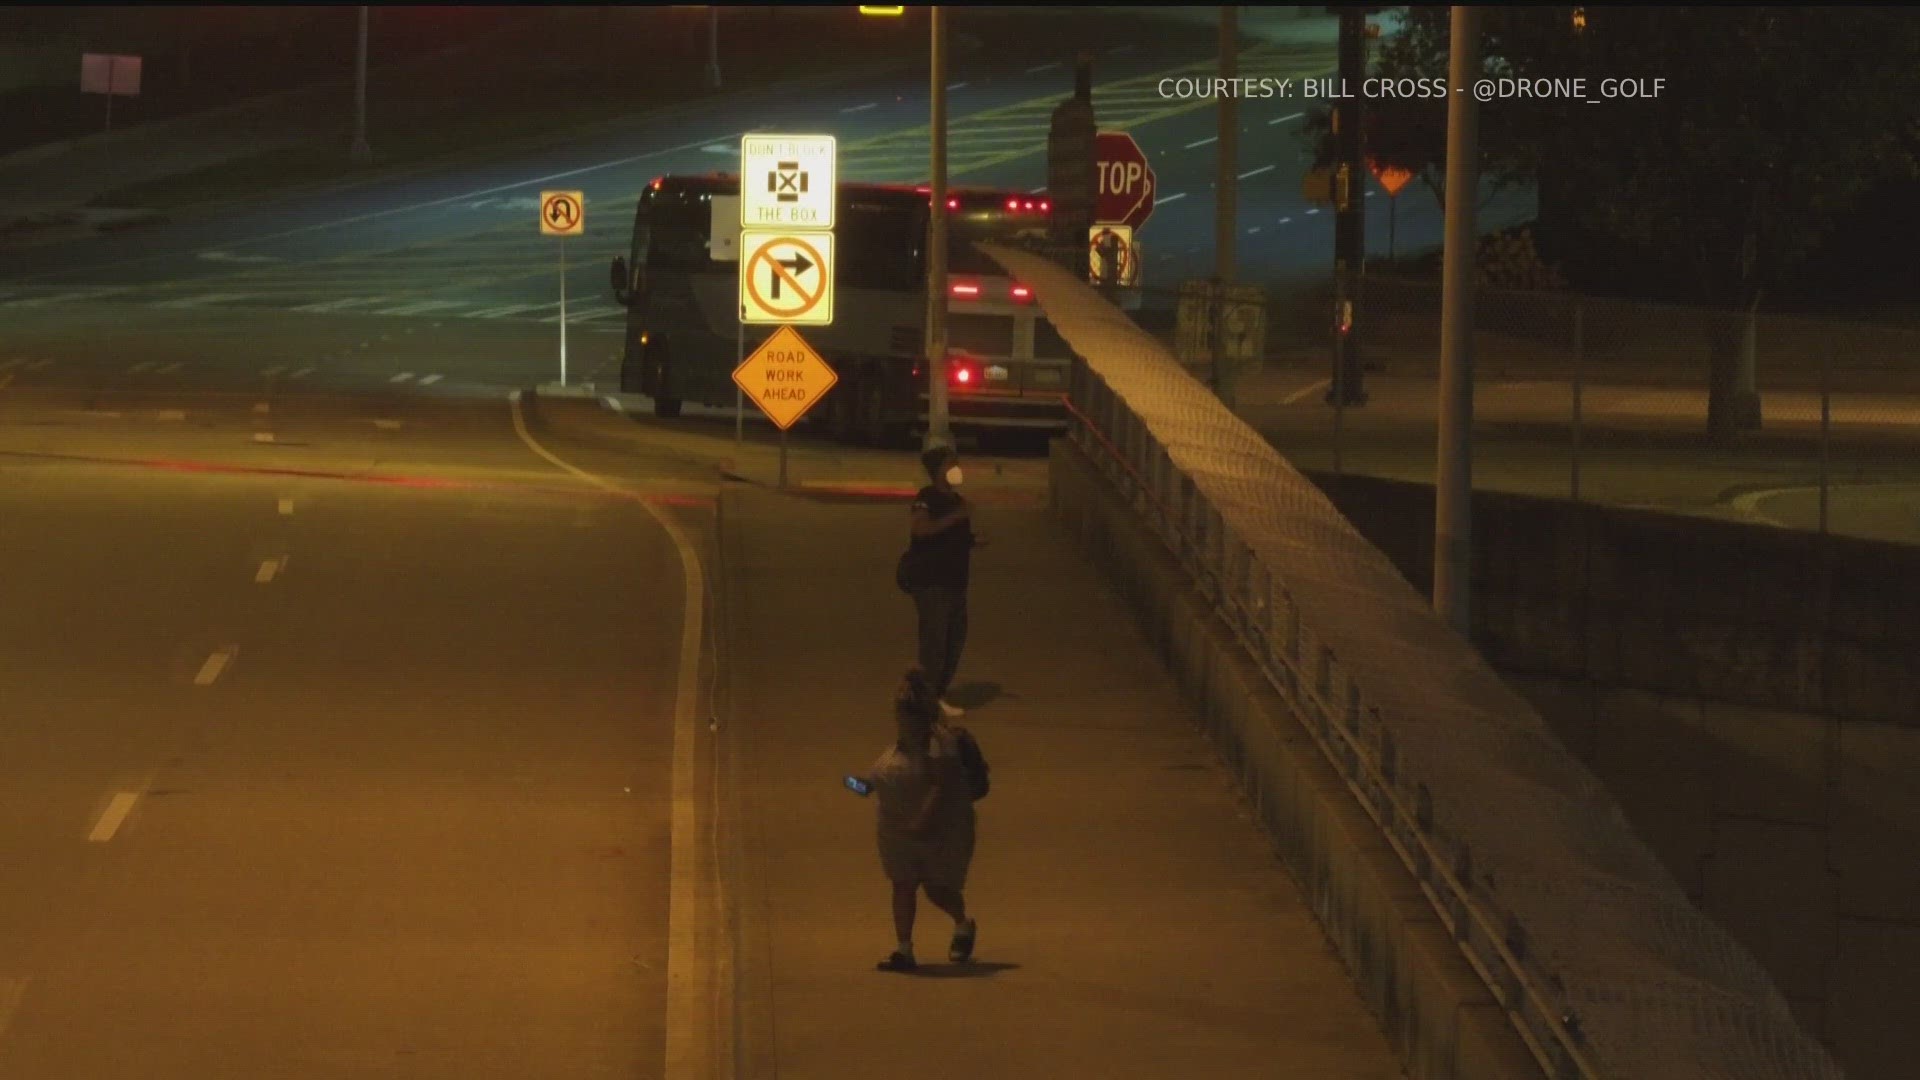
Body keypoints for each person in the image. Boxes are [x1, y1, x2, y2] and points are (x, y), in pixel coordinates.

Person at [862, 669, 978, 973]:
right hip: (897, 830)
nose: (901, 719)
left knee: (936, 889)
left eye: (905, 713)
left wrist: (922, 820)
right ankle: (904, 950)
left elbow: (941, 786)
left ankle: (963, 924)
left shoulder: (939, 743)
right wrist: (849, 784)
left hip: (936, 830)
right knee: (903, 885)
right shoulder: (896, 748)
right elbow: (872, 784)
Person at [905, 444, 980, 718]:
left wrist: (972, 541)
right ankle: (927, 699)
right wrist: (956, 518)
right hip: (932, 583)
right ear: (937, 472)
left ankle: (936, 693)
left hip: (956, 583)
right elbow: (921, 529)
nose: (956, 469)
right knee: (934, 644)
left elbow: (953, 538)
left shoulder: (957, 500)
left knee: (954, 640)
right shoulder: (927, 498)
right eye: (950, 464)